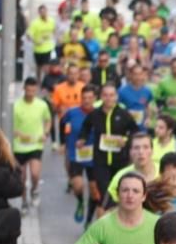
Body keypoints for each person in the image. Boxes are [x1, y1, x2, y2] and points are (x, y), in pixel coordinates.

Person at [77, 82, 139, 218]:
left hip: (120, 162)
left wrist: (126, 140)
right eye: (105, 95)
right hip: (101, 162)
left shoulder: (123, 114)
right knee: (106, 194)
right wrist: (82, 139)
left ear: (116, 97)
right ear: (101, 97)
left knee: (118, 194)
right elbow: (85, 128)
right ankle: (105, 225)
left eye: (111, 95)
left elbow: (135, 132)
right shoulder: (95, 115)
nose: (109, 98)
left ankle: (114, 222)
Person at [11, 77, 51, 212]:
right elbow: (11, 127)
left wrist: (45, 133)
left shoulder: (42, 105)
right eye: (28, 90)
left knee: (34, 173)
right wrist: (20, 135)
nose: (30, 93)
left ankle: (35, 190)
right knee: (21, 178)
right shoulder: (16, 106)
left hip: (36, 145)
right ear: (24, 89)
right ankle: (24, 203)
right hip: (19, 146)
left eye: (33, 91)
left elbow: (48, 120)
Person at [60, 83, 97, 224]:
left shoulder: (98, 114)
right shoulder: (72, 112)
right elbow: (62, 123)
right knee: (78, 185)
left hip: (94, 157)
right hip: (76, 155)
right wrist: (63, 142)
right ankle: (81, 202)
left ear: (94, 98)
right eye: (84, 97)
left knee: (94, 190)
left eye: (90, 97)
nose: (87, 100)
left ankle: (88, 220)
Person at [105, 132, 159, 207]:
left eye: (145, 147)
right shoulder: (120, 176)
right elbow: (109, 209)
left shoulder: (164, 172)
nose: (141, 152)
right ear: (130, 152)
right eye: (136, 148)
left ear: (152, 151)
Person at [28, 4, 56, 80]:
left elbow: (54, 30)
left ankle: (46, 81)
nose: (43, 13)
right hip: (38, 49)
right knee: (39, 67)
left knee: (46, 66)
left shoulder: (51, 21)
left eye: (45, 11)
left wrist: (52, 37)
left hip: (47, 48)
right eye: (41, 12)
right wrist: (35, 41)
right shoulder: (35, 23)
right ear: (39, 13)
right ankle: (38, 80)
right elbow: (29, 34)